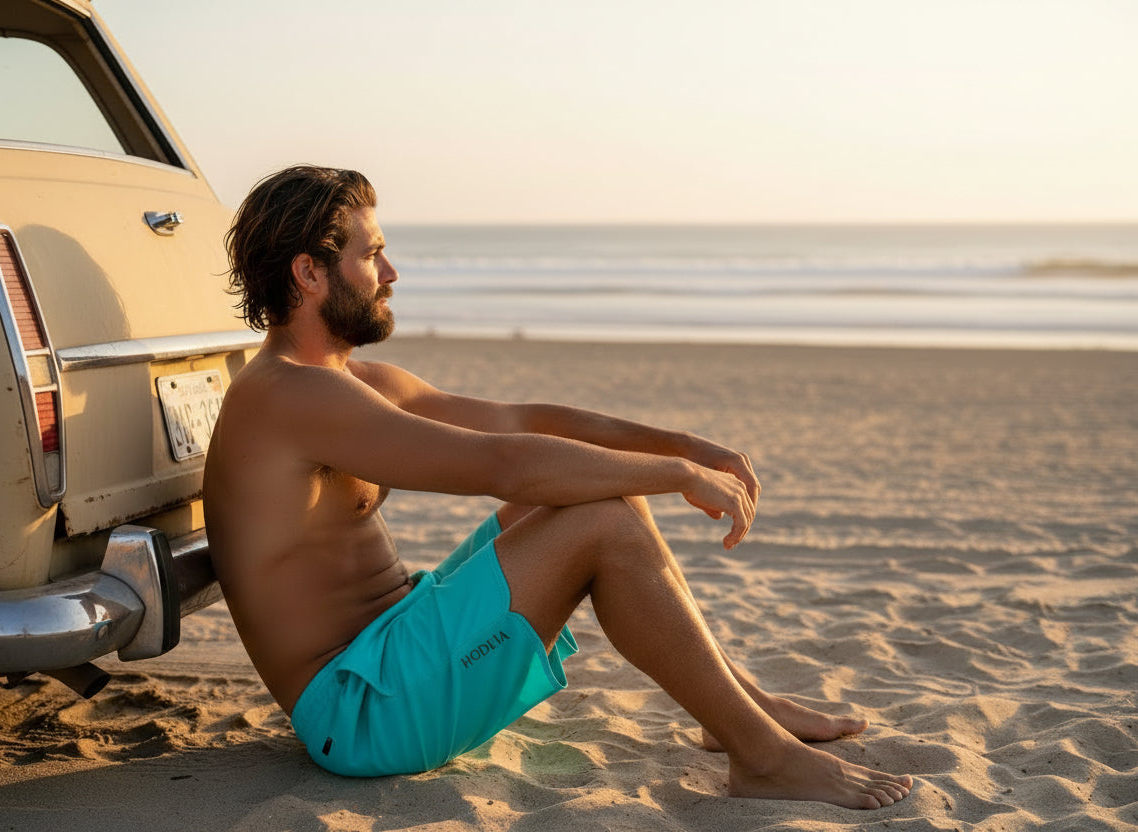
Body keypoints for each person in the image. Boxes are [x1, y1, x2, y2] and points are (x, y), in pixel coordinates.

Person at [202, 165, 913, 810]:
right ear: (310, 274)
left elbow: (521, 420)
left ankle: (742, 709)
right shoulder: (289, 397)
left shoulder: (348, 382)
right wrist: (678, 477)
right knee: (599, 519)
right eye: (370, 253)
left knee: (594, 493)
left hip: (393, 656)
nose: (391, 271)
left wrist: (686, 445)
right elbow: (502, 465)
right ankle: (761, 757)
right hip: (361, 714)